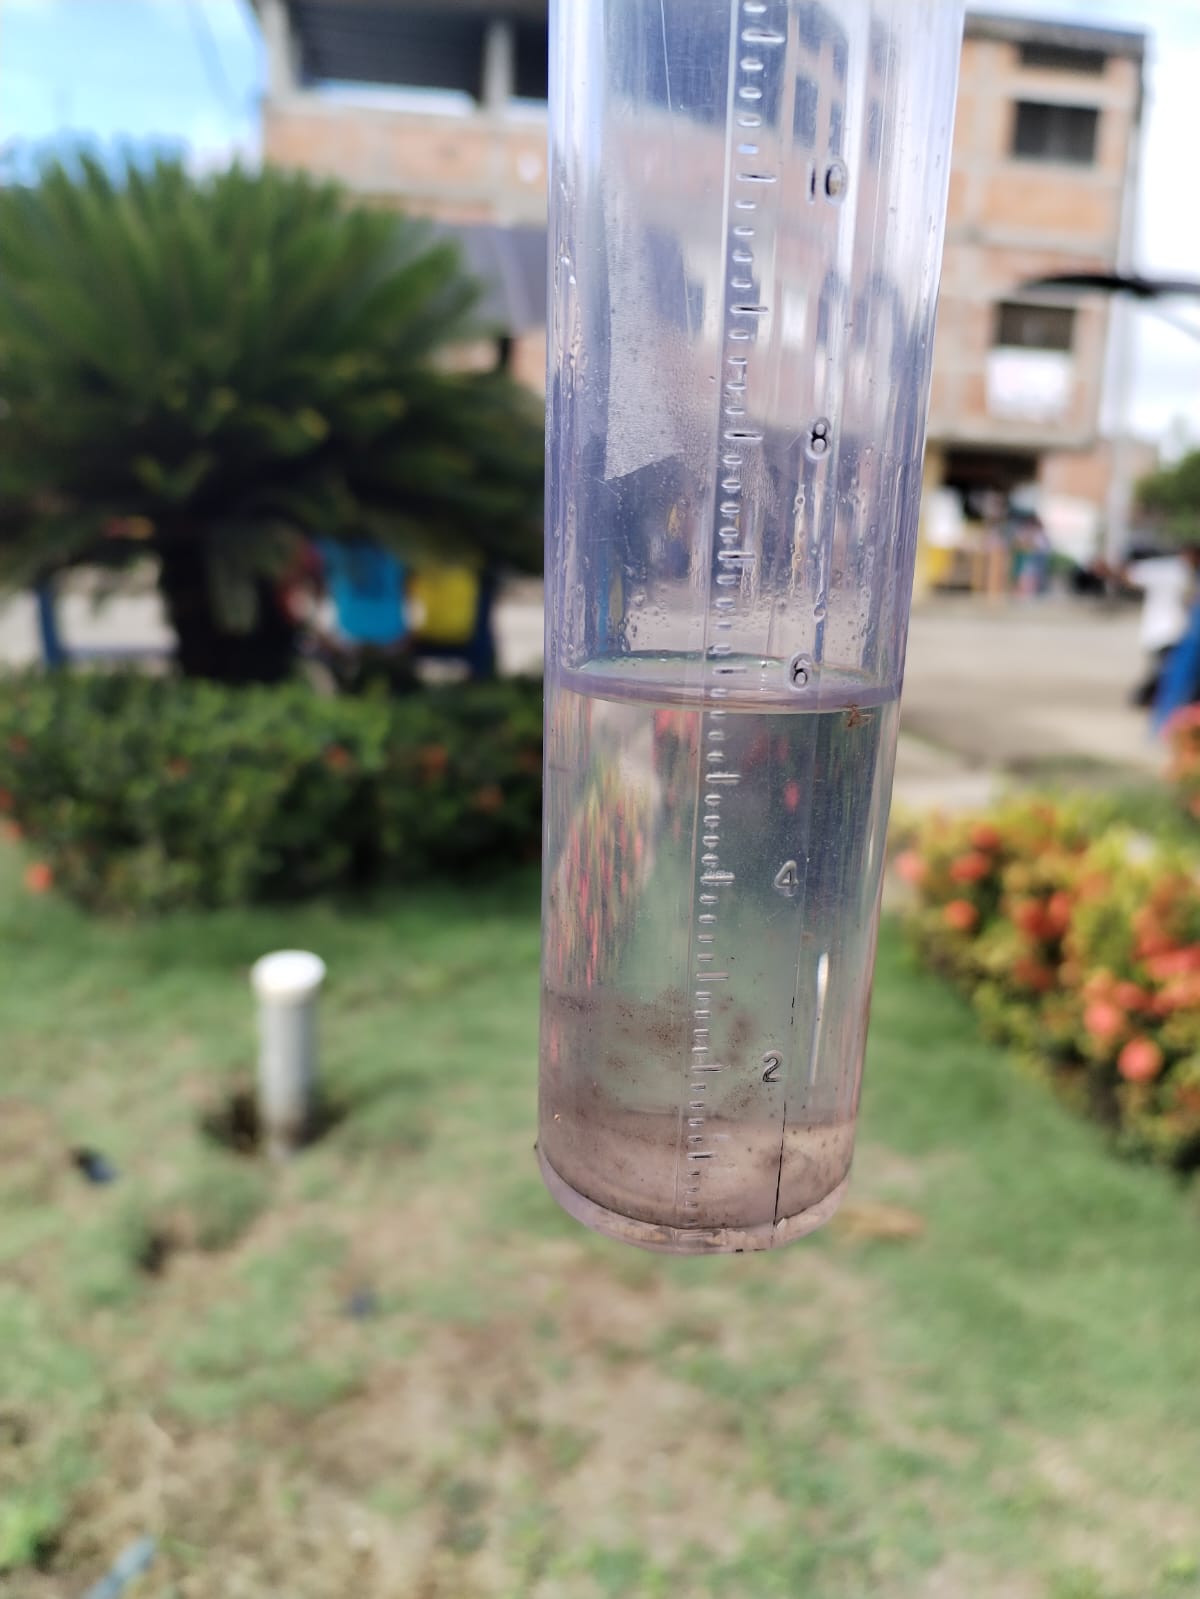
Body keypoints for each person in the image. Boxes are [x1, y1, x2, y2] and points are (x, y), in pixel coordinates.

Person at [1124, 545, 1196, 709]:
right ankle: (1144, 697)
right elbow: (1130, 575)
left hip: (1170, 631)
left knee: (1164, 669)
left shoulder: (1173, 571)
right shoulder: (1171, 570)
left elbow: (1130, 575)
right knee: (1165, 669)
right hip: (1165, 631)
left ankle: (1147, 698)